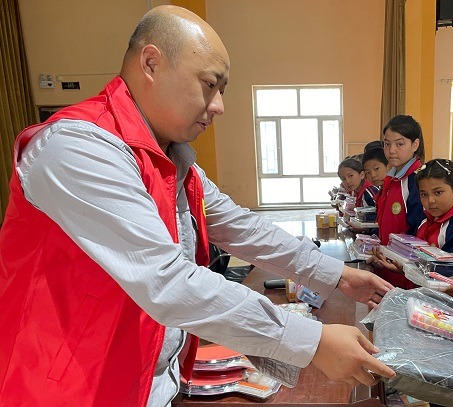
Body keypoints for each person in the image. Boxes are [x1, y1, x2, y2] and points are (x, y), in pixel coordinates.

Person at [0, 6, 395, 406]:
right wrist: (311, 341)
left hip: (145, 380)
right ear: (151, 63)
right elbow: (168, 282)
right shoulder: (79, 148)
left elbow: (241, 227)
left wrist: (337, 275)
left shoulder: (175, 162)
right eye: (209, 85)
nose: (218, 105)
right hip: (68, 388)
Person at [367, 115, 426, 289]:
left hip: (405, 274)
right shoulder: (391, 179)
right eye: (387, 144)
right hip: (386, 266)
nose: (391, 150)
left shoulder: (417, 181)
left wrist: (404, 265)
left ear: (415, 145)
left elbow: (420, 233)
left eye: (399, 144)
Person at [414, 159, 453, 253]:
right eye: (424, 194)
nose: (430, 201)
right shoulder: (425, 220)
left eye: (438, 192)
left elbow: (452, 262)